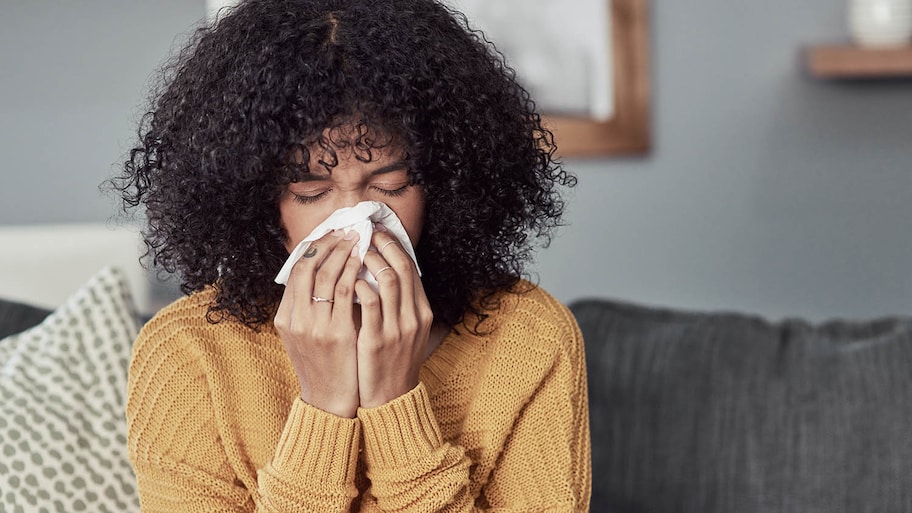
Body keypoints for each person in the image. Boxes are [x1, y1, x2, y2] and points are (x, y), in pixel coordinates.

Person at [112, 0, 590, 510]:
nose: (355, 220)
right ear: (257, 199)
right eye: (311, 189)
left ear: (445, 183)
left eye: (389, 182)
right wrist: (323, 409)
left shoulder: (531, 337)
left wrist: (395, 404)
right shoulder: (188, 355)